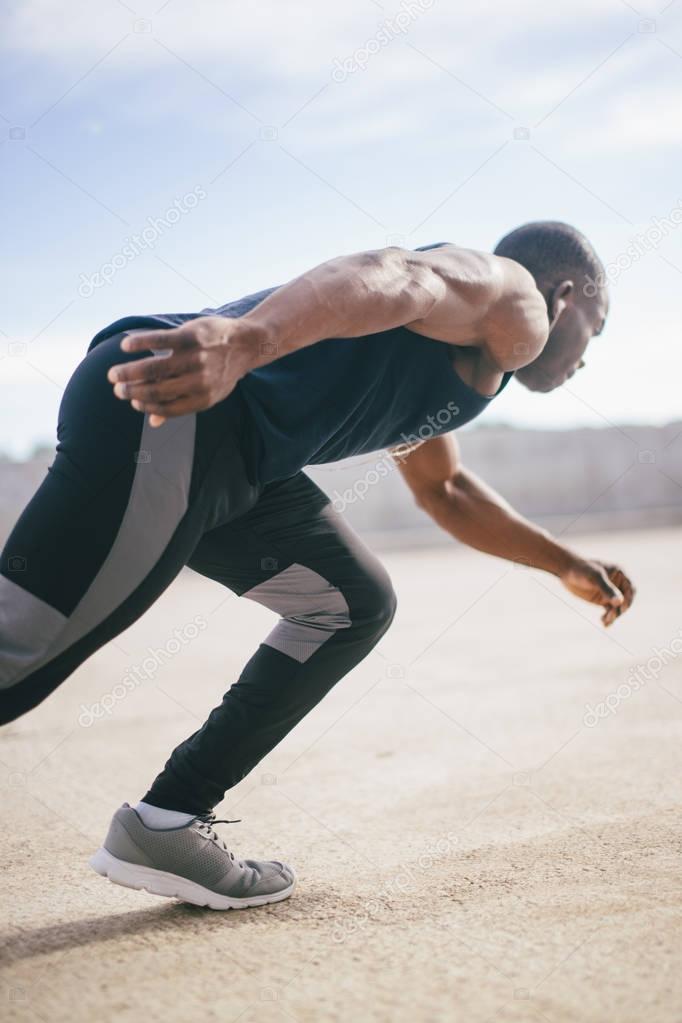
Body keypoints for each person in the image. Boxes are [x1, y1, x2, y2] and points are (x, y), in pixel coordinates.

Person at [0, 222, 635, 910]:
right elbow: (397, 271)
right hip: (181, 408)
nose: (585, 359)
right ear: (566, 297)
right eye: (595, 332)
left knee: (352, 601)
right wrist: (246, 341)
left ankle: (166, 822)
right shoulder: (517, 302)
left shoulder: (459, 356)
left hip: (240, 458)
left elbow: (444, 490)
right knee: (16, 656)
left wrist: (563, 563)